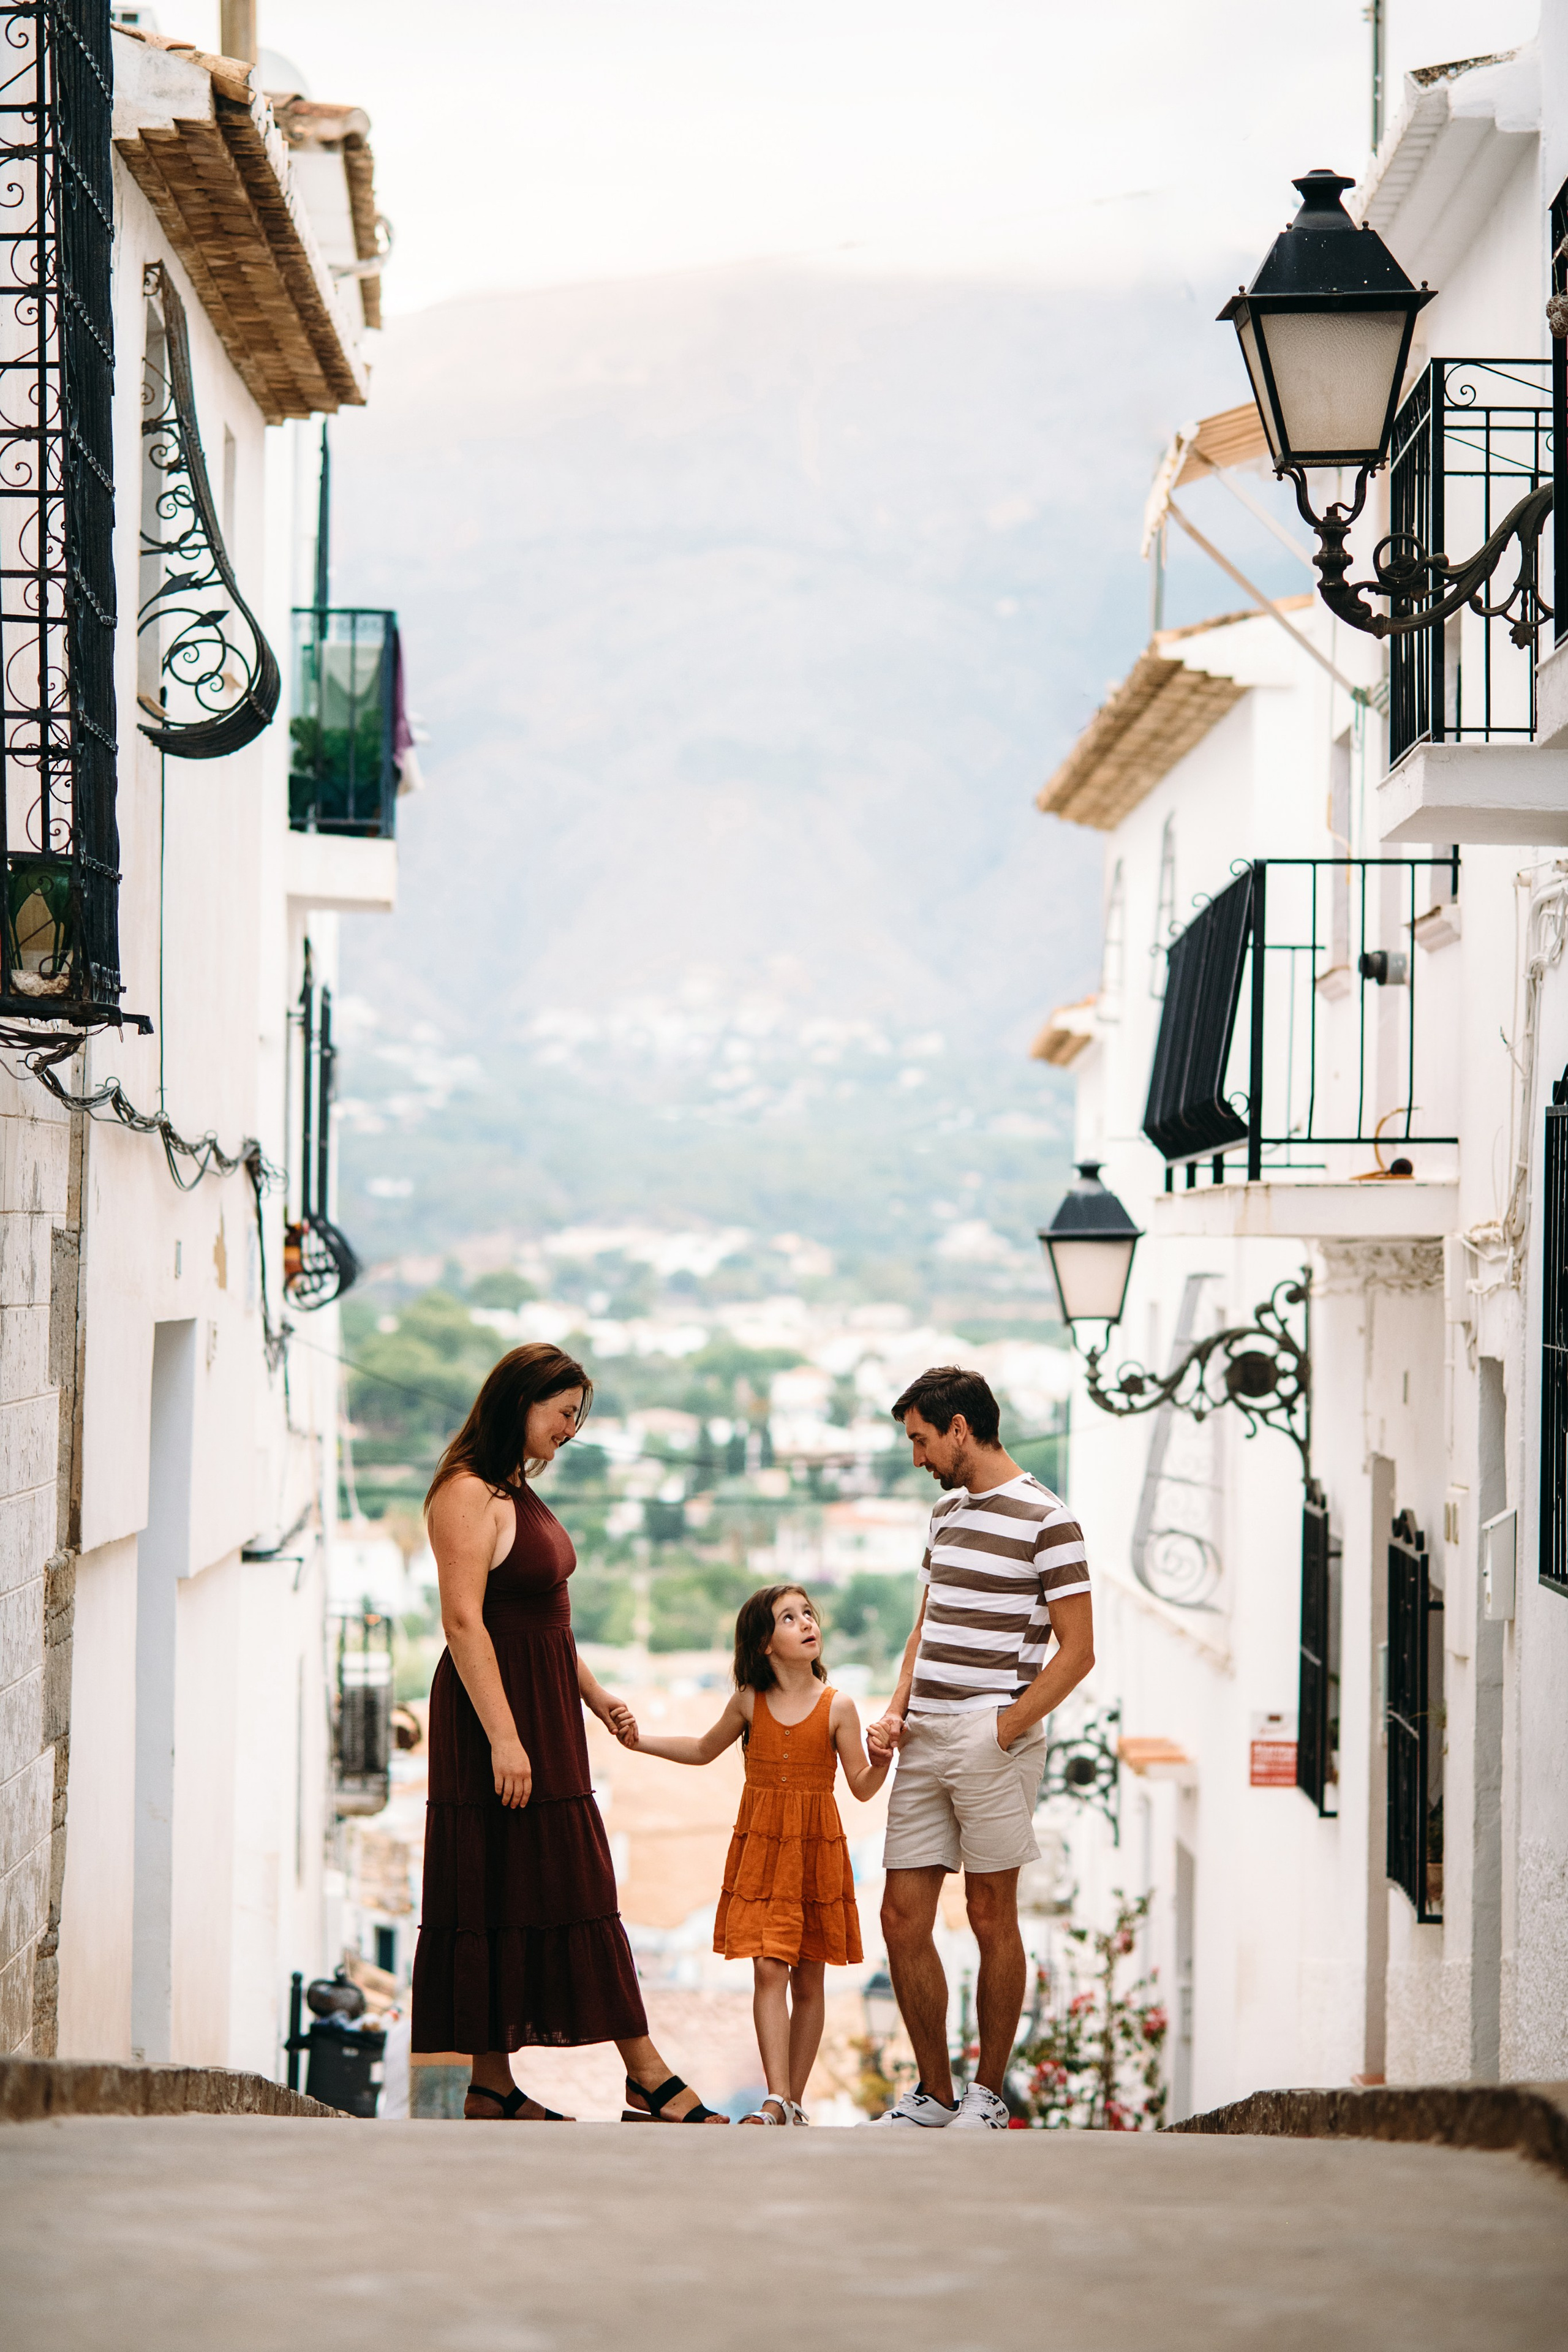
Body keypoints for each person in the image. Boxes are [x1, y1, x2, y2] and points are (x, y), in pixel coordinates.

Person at [410, 1343, 728, 2124]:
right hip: (498, 1715)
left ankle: (493, 2087)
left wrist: (594, 1695)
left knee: (562, 1881)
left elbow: (546, 1621)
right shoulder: (466, 1494)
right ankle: (643, 2075)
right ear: (521, 1402)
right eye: (564, 1413)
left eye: (577, 1416)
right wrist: (506, 1740)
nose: (571, 1430)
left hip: (546, 1709)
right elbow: (463, 1621)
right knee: (522, 1880)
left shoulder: (513, 1487)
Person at [864, 1366, 1094, 2130]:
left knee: (990, 1914)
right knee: (902, 1918)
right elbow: (923, 1628)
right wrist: (898, 1713)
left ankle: (987, 2096)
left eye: (922, 1440)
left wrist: (1005, 1725)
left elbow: (1077, 1650)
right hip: (925, 1730)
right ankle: (933, 2093)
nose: (918, 1456)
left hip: (994, 1734)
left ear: (960, 1428)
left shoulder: (1048, 1520)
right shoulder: (944, 1515)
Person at [626, 1583, 889, 2124]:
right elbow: (702, 1750)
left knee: (809, 1979)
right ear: (765, 1643)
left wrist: (883, 1757)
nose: (806, 1623)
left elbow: (862, 1785)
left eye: (808, 1614)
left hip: (817, 1851)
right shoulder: (749, 1700)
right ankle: (777, 2099)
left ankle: (791, 2102)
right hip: (764, 1851)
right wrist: (640, 1741)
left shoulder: (838, 1705)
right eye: (789, 1618)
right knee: (769, 1970)